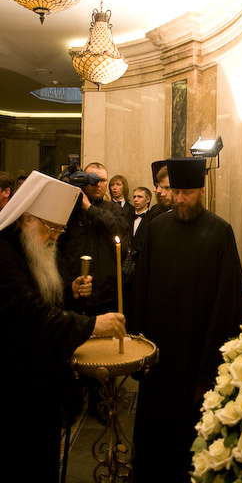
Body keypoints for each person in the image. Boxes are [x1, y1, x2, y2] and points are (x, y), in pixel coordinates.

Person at [127, 157, 242, 483]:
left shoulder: (220, 231)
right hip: (158, 352)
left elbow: (228, 300)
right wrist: (138, 344)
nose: (180, 199)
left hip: (197, 353)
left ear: (202, 191)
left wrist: (212, 366)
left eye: (188, 193)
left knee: (190, 441)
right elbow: (141, 288)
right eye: (176, 192)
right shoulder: (157, 228)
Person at [0, 170, 125, 483]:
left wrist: (69, 292)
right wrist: (93, 325)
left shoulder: (29, 246)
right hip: (14, 388)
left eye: (60, 229)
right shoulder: (3, 254)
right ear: (28, 219)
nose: (56, 237)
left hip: (38, 383)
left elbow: (43, 299)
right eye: (52, 228)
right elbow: (30, 314)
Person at [57, 161, 129, 422]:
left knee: (103, 355)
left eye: (103, 180)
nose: (100, 185)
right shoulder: (68, 212)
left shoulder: (111, 209)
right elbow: (58, 252)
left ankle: (101, 404)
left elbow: (119, 230)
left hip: (105, 293)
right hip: (75, 295)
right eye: (93, 179)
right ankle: (71, 403)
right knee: (74, 351)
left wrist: (90, 208)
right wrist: (69, 285)